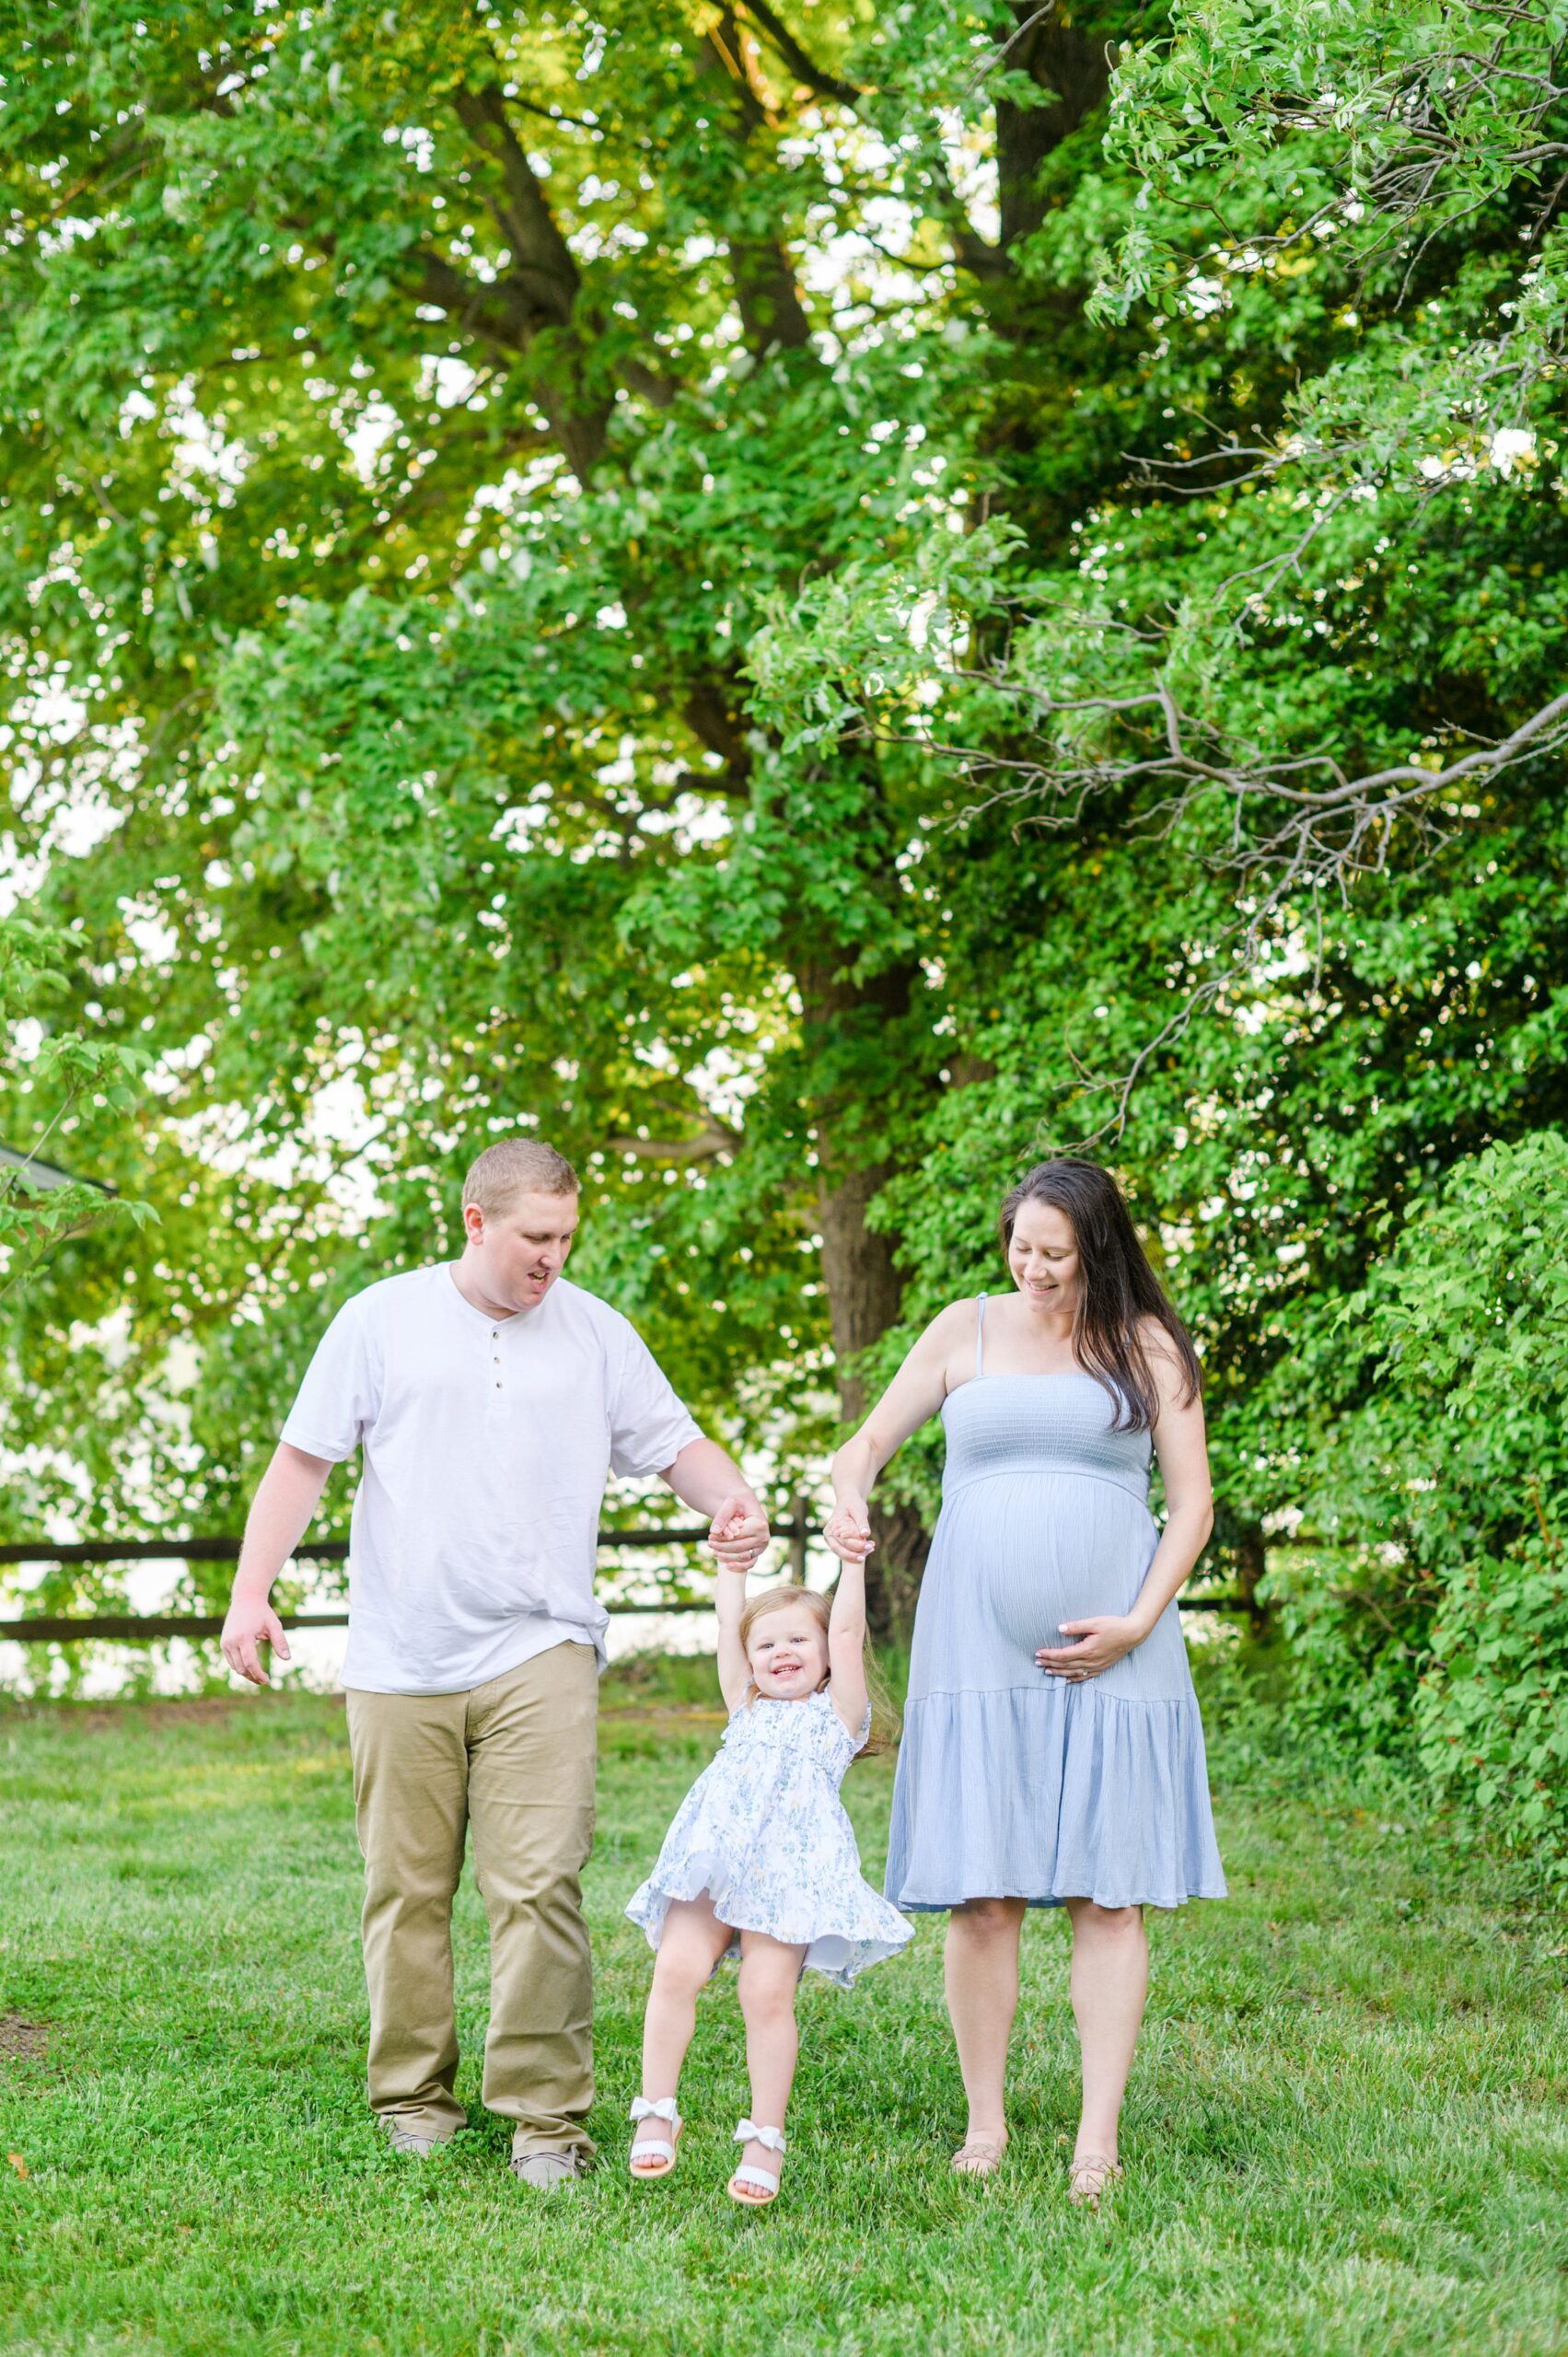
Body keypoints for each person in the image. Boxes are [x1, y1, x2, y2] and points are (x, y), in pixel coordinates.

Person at [219, 1137, 770, 2189]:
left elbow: (675, 1444)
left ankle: (546, 2118)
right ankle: (413, 2096)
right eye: (535, 1237)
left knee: (539, 1884)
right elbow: (303, 1460)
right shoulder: (380, 1320)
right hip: (398, 1652)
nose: (552, 1258)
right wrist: (252, 1593)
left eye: (565, 1237)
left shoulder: (595, 1333)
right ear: (475, 1221)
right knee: (406, 1889)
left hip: (541, 1644)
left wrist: (731, 1502)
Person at [823, 1156, 1225, 2205]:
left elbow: (1190, 1505)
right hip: (974, 1649)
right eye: (1021, 1247)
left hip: (1119, 1647)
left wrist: (1135, 1620)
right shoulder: (965, 1328)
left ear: (1098, 1248)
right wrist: (848, 1493)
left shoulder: (1145, 1345)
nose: (1034, 1268)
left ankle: (1096, 2137)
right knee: (983, 1894)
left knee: (1108, 1893)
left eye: (1055, 1251)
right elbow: (861, 1444)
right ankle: (986, 2122)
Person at [622, 1548, 912, 2206]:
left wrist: (852, 1562)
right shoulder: (743, 1707)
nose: (780, 1652)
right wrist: (732, 1565)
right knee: (674, 1972)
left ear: (828, 1654)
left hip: (788, 1879)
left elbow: (846, 1628)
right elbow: (729, 1625)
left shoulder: (837, 1718)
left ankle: (763, 2139)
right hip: (714, 1866)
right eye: (766, 1644)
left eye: (796, 1640)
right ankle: (657, 2109)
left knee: (764, 1995)